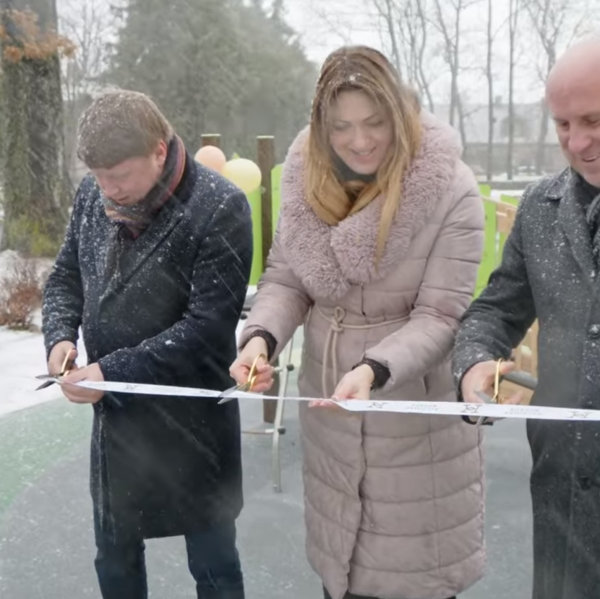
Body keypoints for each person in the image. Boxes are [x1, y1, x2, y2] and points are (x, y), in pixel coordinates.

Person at [230, 46, 485, 599]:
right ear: (322, 127)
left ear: (399, 114)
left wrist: (374, 368)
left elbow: (441, 314)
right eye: (341, 126)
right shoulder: (305, 183)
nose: (360, 140)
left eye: (374, 122)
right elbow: (287, 280)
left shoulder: (449, 188)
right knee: (340, 571)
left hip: (412, 424)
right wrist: (260, 339)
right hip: (330, 411)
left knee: (409, 575)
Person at [41, 90, 252, 599]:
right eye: (98, 176)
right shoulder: (94, 194)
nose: (108, 190)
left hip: (194, 424)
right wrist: (60, 336)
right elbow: (66, 276)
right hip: (120, 427)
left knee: (215, 567)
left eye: (119, 176)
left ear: (159, 151)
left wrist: (112, 371)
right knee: (114, 563)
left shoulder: (220, 206)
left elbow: (208, 328)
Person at [453, 38, 600, 599]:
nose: (577, 142)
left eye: (593, 120)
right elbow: (495, 309)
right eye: (563, 124)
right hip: (562, 492)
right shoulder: (540, 208)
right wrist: (474, 362)